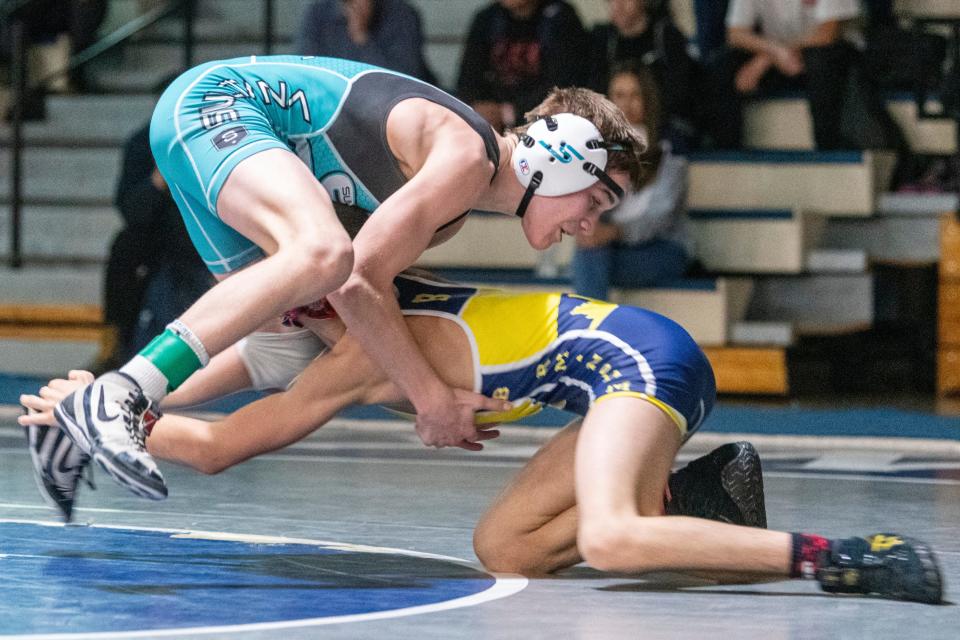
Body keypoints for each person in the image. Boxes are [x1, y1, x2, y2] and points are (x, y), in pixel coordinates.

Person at [22, 272, 943, 603]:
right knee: (505, 549)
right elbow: (198, 378)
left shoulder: (349, 344)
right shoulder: (312, 331)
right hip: (600, 388)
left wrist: (96, 404)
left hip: (638, 358)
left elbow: (223, 446)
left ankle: (845, 556)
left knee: (612, 538)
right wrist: (104, 397)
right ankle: (701, 500)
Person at [50, 54, 647, 502]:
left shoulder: (447, 211)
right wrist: (430, 398)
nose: (589, 226)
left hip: (212, 129)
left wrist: (414, 387)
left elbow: (344, 304)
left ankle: (87, 404)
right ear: (562, 156)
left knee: (284, 348)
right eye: (596, 200)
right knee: (322, 254)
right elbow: (355, 279)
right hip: (219, 105)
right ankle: (122, 393)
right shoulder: (466, 158)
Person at [95, 122, 213, 373]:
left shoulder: (214, 136)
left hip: (209, 235)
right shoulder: (142, 142)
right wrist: (158, 180)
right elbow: (131, 210)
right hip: (159, 240)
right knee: (125, 246)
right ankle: (114, 345)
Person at [572, 63, 689, 300]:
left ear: (648, 99)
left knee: (590, 261)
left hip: (663, 248)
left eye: (635, 95)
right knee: (589, 252)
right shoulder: (599, 148)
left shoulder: (671, 147)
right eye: (619, 96)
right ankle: (593, 329)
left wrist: (615, 232)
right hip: (611, 248)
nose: (626, 104)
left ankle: (588, 329)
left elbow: (661, 217)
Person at [456, 0, 589, 132]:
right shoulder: (488, 18)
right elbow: (468, 78)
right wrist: (477, 107)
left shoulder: (561, 17)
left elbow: (565, 84)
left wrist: (509, 112)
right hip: (491, 120)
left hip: (544, 124)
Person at [586, 0, 700, 148]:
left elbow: (681, 93)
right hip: (613, 125)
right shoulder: (603, 39)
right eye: (611, 0)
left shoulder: (666, 36)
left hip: (662, 127)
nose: (617, 5)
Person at [295, 0, 436, 83]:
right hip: (334, 105)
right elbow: (305, 70)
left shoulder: (401, 14)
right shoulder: (319, 13)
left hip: (388, 108)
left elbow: (406, 79)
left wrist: (362, 38)